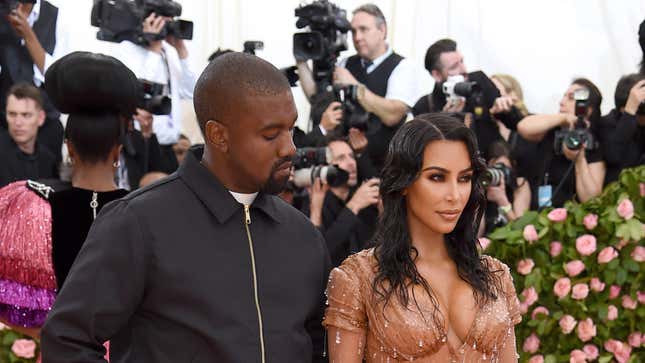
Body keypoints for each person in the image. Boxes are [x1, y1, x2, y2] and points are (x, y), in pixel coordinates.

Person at [41, 52, 331, 363]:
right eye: (270, 134)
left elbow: (316, 345)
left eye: (291, 129)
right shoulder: (139, 223)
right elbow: (67, 340)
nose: (289, 147)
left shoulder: (303, 236)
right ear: (218, 135)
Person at [323, 114, 521, 362]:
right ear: (404, 181)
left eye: (464, 178)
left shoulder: (496, 277)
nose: (455, 195)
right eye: (437, 177)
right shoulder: (358, 278)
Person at [0, 51, 134, 340]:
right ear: (118, 152)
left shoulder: (30, 205)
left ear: (69, 149)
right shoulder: (151, 211)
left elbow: (18, 311)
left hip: (59, 352)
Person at [299, 3, 429, 170]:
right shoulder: (345, 63)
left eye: (364, 29)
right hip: (342, 168)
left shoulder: (402, 66)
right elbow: (316, 99)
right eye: (353, 31)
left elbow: (393, 114)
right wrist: (301, 59)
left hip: (384, 169)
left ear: (382, 30)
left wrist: (354, 86)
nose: (357, 37)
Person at [113, 11, 197, 173]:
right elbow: (140, 96)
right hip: (143, 144)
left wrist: (181, 52)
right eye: (161, 20)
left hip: (172, 148)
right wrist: (153, 51)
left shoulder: (169, 51)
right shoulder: (126, 49)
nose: (166, 25)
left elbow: (191, 92)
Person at [412, 39, 518, 159]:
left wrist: (505, 109)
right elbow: (427, 154)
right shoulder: (424, 106)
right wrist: (445, 121)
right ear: (437, 75)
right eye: (454, 67)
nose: (463, 69)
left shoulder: (479, 82)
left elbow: (516, 124)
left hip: (490, 168)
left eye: (462, 61)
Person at [517, 78, 606, 208]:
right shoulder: (551, 129)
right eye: (564, 96)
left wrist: (579, 160)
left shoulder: (592, 141)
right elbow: (523, 127)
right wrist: (564, 118)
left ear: (588, 109)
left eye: (570, 98)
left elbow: (591, 200)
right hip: (540, 216)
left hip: (571, 220)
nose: (562, 102)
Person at [0, 0, 70, 162]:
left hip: (46, 123)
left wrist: (28, 33)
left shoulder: (58, 16)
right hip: (5, 121)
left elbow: (56, 76)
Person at [307, 136, 379, 267]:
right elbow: (318, 257)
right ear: (324, 168)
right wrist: (353, 207)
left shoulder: (365, 199)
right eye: (341, 158)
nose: (351, 163)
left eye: (351, 156)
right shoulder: (315, 204)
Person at [0, 82, 57, 187]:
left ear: (40, 117)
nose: (18, 122)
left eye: (26, 115)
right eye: (12, 114)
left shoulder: (48, 160)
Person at [598, 73, 645, 185]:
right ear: (624, 109)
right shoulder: (606, 123)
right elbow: (613, 156)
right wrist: (630, 113)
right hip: (620, 195)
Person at [481, 141, 531, 236]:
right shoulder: (482, 186)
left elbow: (520, 231)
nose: (500, 174)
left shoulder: (520, 184)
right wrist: (479, 198)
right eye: (494, 168)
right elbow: (476, 235)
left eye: (504, 168)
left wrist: (502, 201)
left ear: (512, 168)